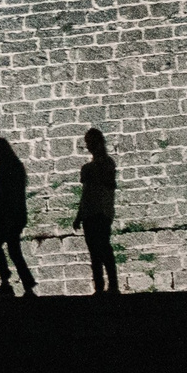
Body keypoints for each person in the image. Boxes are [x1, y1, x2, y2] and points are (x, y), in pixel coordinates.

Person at [0, 137, 36, 298]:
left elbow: (6, 197)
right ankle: (25, 286)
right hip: (14, 215)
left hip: (9, 216)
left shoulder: (8, 167)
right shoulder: (12, 166)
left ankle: (8, 283)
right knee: (13, 250)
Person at [73, 127, 119, 296]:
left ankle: (112, 286)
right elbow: (85, 193)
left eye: (91, 142)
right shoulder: (90, 167)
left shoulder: (106, 164)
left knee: (103, 248)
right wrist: (79, 215)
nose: (89, 146)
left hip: (101, 211)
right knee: (95, 251)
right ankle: (100, 286)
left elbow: (108, 184)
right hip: (90, 212)